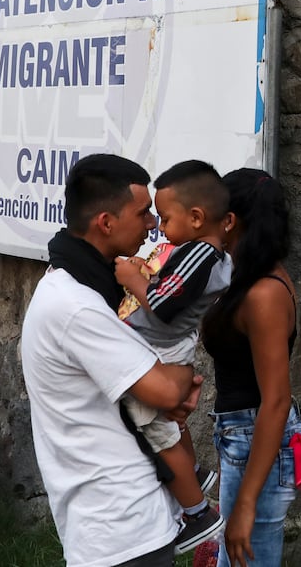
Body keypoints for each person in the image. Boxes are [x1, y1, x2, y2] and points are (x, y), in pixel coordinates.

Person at [20, 153, 203, 567]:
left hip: (121, 520)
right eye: (143, 214)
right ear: (106, 222)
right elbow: (164, 389)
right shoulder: (77, 306)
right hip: (121, 529)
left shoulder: (83, 288)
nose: (152, 224)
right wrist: (183, 339)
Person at [114, 160, 235, 553]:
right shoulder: (198, 254)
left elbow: (163, 305)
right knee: (167, 424)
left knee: (157, 430)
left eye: (165, 218)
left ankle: (197, 514)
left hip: (160, 349)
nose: (159, 228)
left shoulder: (200, 253)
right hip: (160, 346)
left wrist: (133, 278)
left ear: (197, 218)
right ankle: (195, 476)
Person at [199, 168, 301, 567]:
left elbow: (276, 401)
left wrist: (246, 503)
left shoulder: (263, 293)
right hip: (241, 436)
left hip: (254, 436)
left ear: (230, 221)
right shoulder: (246, 276)